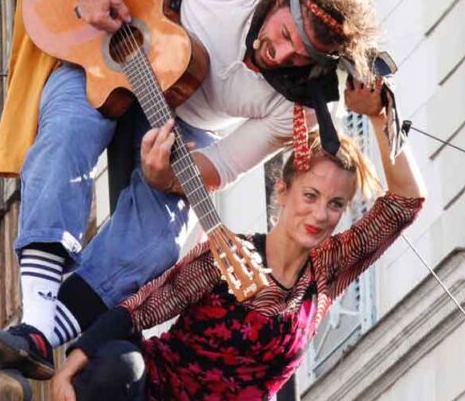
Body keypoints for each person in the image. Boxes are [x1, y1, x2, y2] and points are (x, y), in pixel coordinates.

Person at [0, 0, 390, 390]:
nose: (277, 51)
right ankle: (35, 320)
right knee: (67, 137)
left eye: (295, 55)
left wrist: (165, 175)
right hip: (105, 53)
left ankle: (42, 336)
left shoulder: (292, 107)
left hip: (183, 120)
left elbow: (219, 168)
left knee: (159, 240)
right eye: (282, 33)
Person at [44, 78, 426, 400]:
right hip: (157, 391)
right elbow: (141, 309)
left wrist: (379, 114)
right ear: (283, 191)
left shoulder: (326, 271)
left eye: (335, 204)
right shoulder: (226, 256)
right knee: (118, 366)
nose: (320, 214)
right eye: (310, 196)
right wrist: (69, 369)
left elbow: (405, 204)